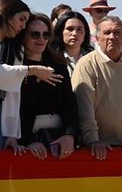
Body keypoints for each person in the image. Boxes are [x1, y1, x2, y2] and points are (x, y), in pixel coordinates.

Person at [73, 15, 122, 159]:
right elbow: (84, 106)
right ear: (97, 38)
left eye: (117, 32)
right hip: (95, 149)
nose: (112, 37)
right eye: (106, 33)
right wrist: (92, 140)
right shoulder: (86, 64)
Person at [3, 0, 66, 150]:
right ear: (6, 15)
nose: (22, 26)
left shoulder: (57, 65)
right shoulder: (12, 55)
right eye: (21, 19)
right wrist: (32, 71)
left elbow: (11, 100)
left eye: (46, 35)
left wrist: (11, 135)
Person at [12, 13, 80, 157]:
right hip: (26, 144)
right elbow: (15, 110)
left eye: (46, 34)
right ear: (23, 36)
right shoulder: (14, 67)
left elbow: (69, 103)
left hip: (59, 141)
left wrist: (70, 135)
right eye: (35, 35)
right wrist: (28, 140)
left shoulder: (59, 65)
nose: (41, 39)